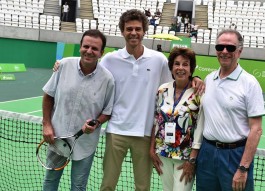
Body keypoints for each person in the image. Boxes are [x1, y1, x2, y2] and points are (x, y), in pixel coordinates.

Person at [53, 9, 204, 191]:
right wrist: (65, 62)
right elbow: (90, 64)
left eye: (138, 29)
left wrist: (194, 78)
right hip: (116, 131)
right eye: (129, 29)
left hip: (145, 134)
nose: (134, 33)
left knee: (142, 187)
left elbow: (176, 82)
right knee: (107, 185)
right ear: (122, 31)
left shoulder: (159, 60)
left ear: (144, 31)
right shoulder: (110, 59)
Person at [42, 29, 115, 191]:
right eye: (86, 46)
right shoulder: (63, 66)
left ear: (101, 53)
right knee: (50, 180)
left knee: (78, 186)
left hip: (85, 143)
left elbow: (107, 111)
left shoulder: (108, 79)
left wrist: (96, 123)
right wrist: (46, 125)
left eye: (94, 48)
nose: (89, 51)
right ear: (80, 46)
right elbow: (48, 95)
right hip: (57, 138)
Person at [196, 29, 265, 191]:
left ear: (239, 51)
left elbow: (256, 129)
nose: (224, 51)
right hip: (207, 153)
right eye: (220, 47)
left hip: (235, 156)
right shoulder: (209, 79)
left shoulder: (250, 83)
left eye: (231, 48)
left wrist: (243, 168)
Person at [150, 47, 204, 191]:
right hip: (163, 153)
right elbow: (156, 121)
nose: (180, 68)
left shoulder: (198, 93)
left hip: (186, 157)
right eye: (177, 64)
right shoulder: (163, 89)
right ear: (171, 67)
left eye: (185, 64)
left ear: (191, 69)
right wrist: (152, 150)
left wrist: (192, 159)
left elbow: (200, 127)